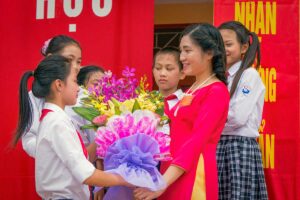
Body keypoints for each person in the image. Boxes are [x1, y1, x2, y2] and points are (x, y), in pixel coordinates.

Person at [134, 23, 230, 200]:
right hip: (171, 170)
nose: (182, 57)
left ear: (209, 54)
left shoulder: (216, 91)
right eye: (181, 51)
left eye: (187, 51)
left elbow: (196, 142)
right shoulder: (193, 89)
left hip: (193, 173)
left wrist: (161, 183)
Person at [13, 55, 128, 200]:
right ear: (59, 85)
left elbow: (83, 159)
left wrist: (103, 132)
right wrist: (125, 179)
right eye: (74, 81)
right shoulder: (57, 122)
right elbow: (86, 174)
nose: (79, 88)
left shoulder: (55, 118)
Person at [217, 21, 268, 199]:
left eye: (228, 44)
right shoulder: (221, 78)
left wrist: (210, 123)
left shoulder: (249, 75)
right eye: (218, 44)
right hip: (220, 146)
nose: (222, 49)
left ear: (244, 47)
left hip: (239, 148)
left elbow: (236, 118)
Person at [20, 35, 82, 158]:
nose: (75, 66)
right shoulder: (34, 97)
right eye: (69, 60)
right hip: (54, 165)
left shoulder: (83, 94)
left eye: (79, 62)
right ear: (51, 58)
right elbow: (29, 139)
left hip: (84, 164)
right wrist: (55, 153)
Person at [153, 47, 185, 136]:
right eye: (158, 68)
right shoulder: (144, 101)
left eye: (169, 69)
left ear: (182, 74)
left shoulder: (187, 101)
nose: (162, 73)